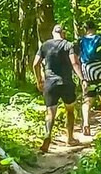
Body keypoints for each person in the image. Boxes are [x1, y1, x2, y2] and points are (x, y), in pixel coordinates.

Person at [33, 24, 84, 153]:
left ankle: (47, 135)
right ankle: (70, 138)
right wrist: (83, 79)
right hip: (66, 83)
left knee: (50, 112)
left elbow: (35, 64)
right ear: (64, 33)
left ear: (52, 33)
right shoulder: (68, 45)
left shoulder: (45, 45)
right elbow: (74, 63)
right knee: (70, 110)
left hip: (50, 83)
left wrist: (39, 79)